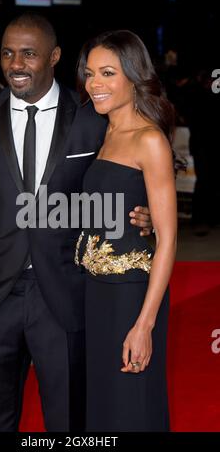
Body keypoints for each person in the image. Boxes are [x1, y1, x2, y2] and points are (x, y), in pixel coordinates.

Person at [0, 13, 152, 432]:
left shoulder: (93, 120)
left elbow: (118, 184)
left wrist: (142, 214)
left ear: (54, 56)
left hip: (66, 293)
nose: (15, 64)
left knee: (69, 420)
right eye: (7, 53)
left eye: (28, 53)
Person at [75, 30, 177, 431]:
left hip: (131, 294)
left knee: (131, 405)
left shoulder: (149, 140)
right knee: (103, 406)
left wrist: (144, 324)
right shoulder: (104, 131)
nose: (94, 84)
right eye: (89, 73)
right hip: (96, 291)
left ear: (133, 77)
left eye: (107, 73)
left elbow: (168, 239)